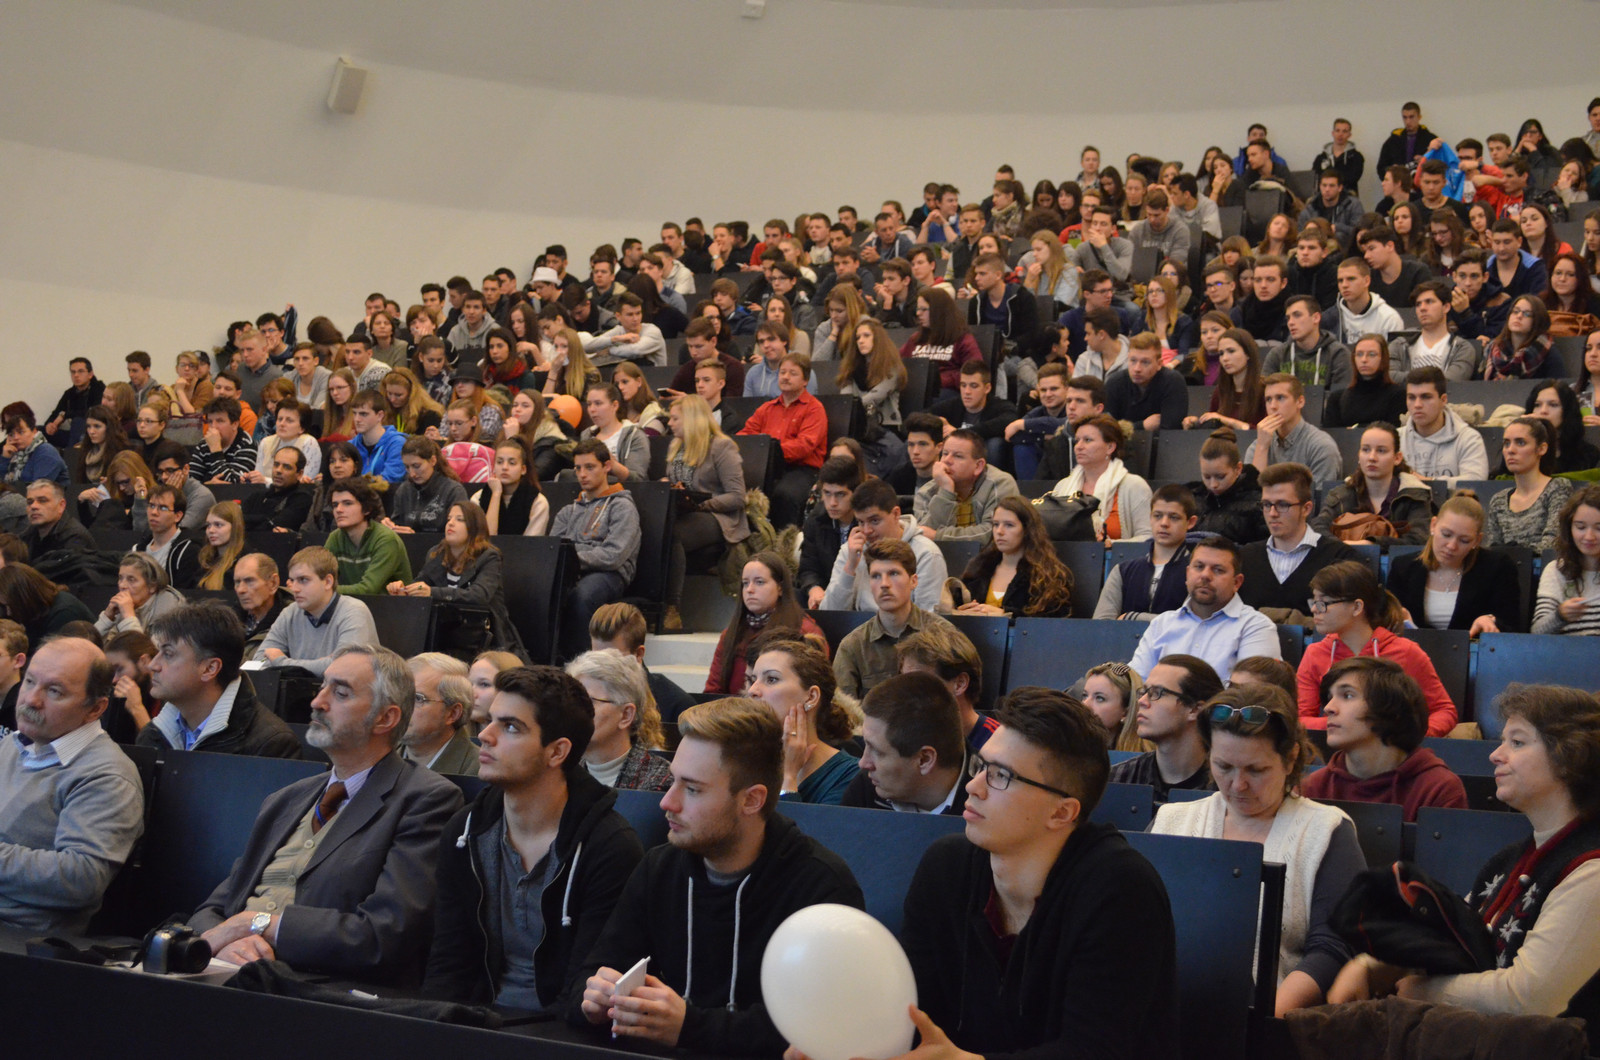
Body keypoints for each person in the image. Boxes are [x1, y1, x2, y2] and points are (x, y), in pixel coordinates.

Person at [571, 697, 864, 1054]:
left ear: (752, 800)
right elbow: (588, 978)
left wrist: (689, 1027)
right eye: (673, 781)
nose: (667, 802)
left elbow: (819, 1028)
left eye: (692, 789)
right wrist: (595, 999)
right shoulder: (659, 869)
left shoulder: (821, 886)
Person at [901, 685, 1181, 1055]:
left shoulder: (1122, 890)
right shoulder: (945, 868)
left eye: (1000, 776)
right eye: (980, 766)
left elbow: (1093, 1050)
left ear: (1061, 812)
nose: (973, 786)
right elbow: (913, 1012)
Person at [1330, 686, 1600, 1043]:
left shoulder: (1592, 871)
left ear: (1571, 756)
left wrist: (1418, 990)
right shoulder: (1511, 858)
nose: (1496, 755)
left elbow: (1526, 999)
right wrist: (1372, 966)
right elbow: (1455, 939)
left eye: (1517, 742)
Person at [189, 644, 463, 982]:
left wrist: (258, 924)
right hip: (230, 973)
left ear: (385, 718)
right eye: (322, 687)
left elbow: (384, 934)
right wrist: (225, 944)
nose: (317, 702)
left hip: (317, 989)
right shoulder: (286, 799)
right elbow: (212, 909)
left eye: (341, 693)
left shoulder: (425, 800)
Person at [424, 663, 644, 1011]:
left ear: (557, 752)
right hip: (472, 1021)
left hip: (555, 1030)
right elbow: (448, 964)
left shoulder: (609, 847)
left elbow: (586, 988)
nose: (485, 735)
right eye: (490, 720)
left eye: (510, 726)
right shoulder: (465, 831)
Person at [1153, 684, 1361, 1015]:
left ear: (1290, 758)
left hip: (1273, 1015)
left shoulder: (1326, 829)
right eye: (1223, 766)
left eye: (1256, 770)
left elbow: (1331, 946)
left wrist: (1263, 1021)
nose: (1238, 785)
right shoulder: (1171, 820)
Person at [0, 636, 144, 933]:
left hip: (19, 937)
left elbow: (81, 879)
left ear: (95, 709)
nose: (31, 699)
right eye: (29, 682)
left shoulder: (106, 775)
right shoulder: (13, 745)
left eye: (54, 691)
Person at [1296, 560, 1458, 736]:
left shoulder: (1406, 651)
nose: (1314, 609)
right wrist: (1350, 724)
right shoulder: (1316, 653)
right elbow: (1300, 719)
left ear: (1357, 607)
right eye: (1314, 601)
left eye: (1323, 603)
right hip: (1336, 747)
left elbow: (1444, 711)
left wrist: (1410, 737)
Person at [1302, 656, 1466, 821]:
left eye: (1348, 695)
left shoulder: (1438, 789)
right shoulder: (1312, 787)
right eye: (1330, 697)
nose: (1328, 708)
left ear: (1390, 708)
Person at [133, 601, 299, 757]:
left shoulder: (270, 744)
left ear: (210, 669)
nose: (153, 665)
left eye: (168, 654)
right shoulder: (154, 734)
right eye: (158, 652)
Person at [1130, 535, 1281, 682]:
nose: (1205, 575)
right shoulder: (1161, 624)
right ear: (1187, 574)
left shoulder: (1255, 627)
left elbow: (1253, 693)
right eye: (1199, 567)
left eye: (1218, 570)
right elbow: (1135, 684)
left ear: (1237, 582)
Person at [389, 501, 525, 655]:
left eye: (460, 519)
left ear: (474, 527)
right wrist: (403, 590)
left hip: (482, 637)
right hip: (443, 633)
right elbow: (421, 584)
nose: (451, 523)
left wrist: (432, 592)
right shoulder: (436, 553)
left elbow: (479, 596)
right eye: (449, 519)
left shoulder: (489, 557)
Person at [833, 538, 959, 698]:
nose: (884, 584)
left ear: (913, 581)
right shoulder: (853, 646)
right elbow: (842, 709)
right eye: (876, 576)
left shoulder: (944, 635)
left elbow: (960, 698)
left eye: (893, 573)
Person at [550, 440, 641, 660]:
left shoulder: (622, 506)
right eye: (578, 468)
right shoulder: (568, 511)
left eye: (589, 467)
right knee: (542, 592)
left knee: (581, 596)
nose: (582, 474)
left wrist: (573, 557)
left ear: (606, 466)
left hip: (610, 574)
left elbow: (613, 555)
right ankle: (551, 658)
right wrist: (571, 558)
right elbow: (553, 550)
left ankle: (583, 662)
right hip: (572, 571)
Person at [745, 633, 860, 804]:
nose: (752, 690)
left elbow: (795, 823)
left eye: (771, 679)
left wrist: (788, 778)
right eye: (752, 680)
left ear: (811, 697)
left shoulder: (850, 776)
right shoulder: (742, 761)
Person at [1237, 462, 1359, 622]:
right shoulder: (1245, 557)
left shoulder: (1340, 557)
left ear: (1306, 508)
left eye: (1283, 505)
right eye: (1266, 505)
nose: (1272, 513)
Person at [1387, 494, 1524, 635]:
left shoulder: (1497, 567)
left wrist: (1491, 621)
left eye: (1464, 540)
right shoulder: (1403, 567)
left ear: (1477, 540)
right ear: (1433, 525)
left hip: (1474, 648)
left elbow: (1511, 627)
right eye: (1446, 534)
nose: (1452, 546)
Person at [840, 670, 968, 813]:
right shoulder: (866, 788)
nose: (863, 763)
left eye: (877, 751)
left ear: (924, 760)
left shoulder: (985, 801)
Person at [706, 553, 825, 695]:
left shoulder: (804, 632)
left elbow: (812, 692)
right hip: (735, 708)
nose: (749, 589)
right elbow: (712, 692)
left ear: (780, 588)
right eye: (745, 583)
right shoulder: (730, 634)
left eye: (759, 582)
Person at [819, 479, 947, 612]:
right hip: (860, 625)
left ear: (896, 514)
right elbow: (829, 613)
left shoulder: (926, 554)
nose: (867, 530)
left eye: (874, 521)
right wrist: (850, 568)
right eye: (861, 522)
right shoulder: (851, 552)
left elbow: (930, 617)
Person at [736, 353, 827, 529]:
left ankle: (784, 542)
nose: (785, 377)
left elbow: (804, 445)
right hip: (768, 466)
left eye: (793, 373)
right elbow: (746, 434)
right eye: (782, 372)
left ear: (805, 380)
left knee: (784, 494)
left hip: (803, 469)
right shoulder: (766, 408)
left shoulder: (814, 409)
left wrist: (770, 451)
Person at [258, 547, 380, 676]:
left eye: (303, 580)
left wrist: (281, 662)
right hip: (301, 688)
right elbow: (259, 661)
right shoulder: (289, 613)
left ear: (328, 582)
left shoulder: (354, 611)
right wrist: (323, 664)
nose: (294, 588)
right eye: (292, 580)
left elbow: (345, 668)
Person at [565, 649, 672, 792]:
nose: (572, 710)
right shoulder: (560, 772)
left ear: (626, 715)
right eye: (571, 700)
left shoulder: (659, 783)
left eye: (587, 701)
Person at [1312, 423, 1431, 547]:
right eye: (1366, 449)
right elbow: (1318, 529)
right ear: (1359, 455)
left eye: (1381, 450)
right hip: (1344, 558)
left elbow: (1419, 540)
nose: (1372, 457)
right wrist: (1345, 548)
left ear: (1397, 458)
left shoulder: (1414, 496)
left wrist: (1371, 544)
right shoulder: (1341, 495)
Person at [956, 495, 1073, 617]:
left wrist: (1007, 614)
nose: (999, 531)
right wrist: (962, 612)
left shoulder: (1047, 575)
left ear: (1027, 530)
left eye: (1009, 525)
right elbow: (956, 609)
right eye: (996, 524)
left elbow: (1053, 620)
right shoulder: (978, 569)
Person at [1097, 485, 1202, 621]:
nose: (1164, 523)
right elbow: (1101, 624)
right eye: (1157, 516)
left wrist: (1132, 617)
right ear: (1150, 518)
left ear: (1190, 522)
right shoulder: (1123, 571)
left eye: (1174, 517)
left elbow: (1191, 623)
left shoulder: (1198, 573)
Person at [1048, 414, 1153, 543]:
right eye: (1077, 440)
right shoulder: (1062, 486)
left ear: (1110, 447)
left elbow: (1148, 536)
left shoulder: (1134, 485)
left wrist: (1109, 545)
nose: (1078, 446)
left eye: (1087, 440)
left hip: (1116, 556)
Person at [588, 603, 694, 726]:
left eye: (613, 660)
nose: (603, 669)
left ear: (638, 654)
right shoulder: (581, 696)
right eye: (597, 659)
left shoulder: (677, 706)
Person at [912, 428, 1021, 544]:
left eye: (958, 456)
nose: (947, 461)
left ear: (978, 466)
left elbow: (993, 534)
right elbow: (923, 537)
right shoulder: (926, 492)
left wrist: (939, 536)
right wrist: (945, 492)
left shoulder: (1000, 483)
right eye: (945, 454)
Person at [1486, 417, 1573, 551]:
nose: (1510, 450)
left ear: (1541, 449)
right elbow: (1493, 551)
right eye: (1506, 443)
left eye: (1520, 443)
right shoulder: (1498, 500)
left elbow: (1552, 544)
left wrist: (1515, 555)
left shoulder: (1558, 488)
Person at [1246, 374, 1344, 484]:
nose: (1273, 406)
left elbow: (1320, 493)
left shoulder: (1321, 446)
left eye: (1280, 398)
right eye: (1268, 399)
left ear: (1300, 402)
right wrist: (1262, 448)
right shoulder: (1258, 445)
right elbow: (1252, 493)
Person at [324, 477, 413, 595]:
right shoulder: (335, 538)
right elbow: (320, 577)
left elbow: (368, 589)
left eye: (347, 503)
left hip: (387, 605)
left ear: (366, 509)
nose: (338, 510)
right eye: (335, 505)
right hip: (352, 604)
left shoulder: (386, 539)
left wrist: (321, 591)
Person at [1399, 367, 1490, 479]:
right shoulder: (1395, 439)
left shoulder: (1468, 438)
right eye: (1411, 398)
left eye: (1426, 397)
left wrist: (1427, 482)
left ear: (1443, 400)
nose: (1417, 405)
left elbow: (1475, 481)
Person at [1533, 484, 1600, 636]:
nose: (1589, 536)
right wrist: (1560, 615)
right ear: (1569, 528)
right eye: (1580, 527)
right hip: (1567, 650)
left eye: (1599, 528)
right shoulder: (1556, 570)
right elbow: (1537, 632)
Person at [397, 653, 479, 775]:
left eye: (417, 698)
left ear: (453, 713)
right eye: (398, 694)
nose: (400, 706)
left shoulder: (480, 771)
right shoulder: (378, 757)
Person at [899, 287, 985, 398]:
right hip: (917, 389)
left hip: (946, 391)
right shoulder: (916, 339)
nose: (918, 313)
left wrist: (943, 380)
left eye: (924, 309)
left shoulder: (961, 338)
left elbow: (975, 370)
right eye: (918, 309)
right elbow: (898, 364)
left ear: (938, 311)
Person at [1189, 430, 1269, 544]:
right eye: (1207, 477)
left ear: (1238, 469)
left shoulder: (1258, 504)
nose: (1213, 484)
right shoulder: (1192, 499)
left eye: (1220, 477)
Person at [384, 437, 467, 534]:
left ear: (433, 461)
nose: (412, 474)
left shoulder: (453, 491)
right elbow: (397, 525)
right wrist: (391, 528)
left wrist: (415, 537)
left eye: (416, 466)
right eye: (407, 467)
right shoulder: (404, 490)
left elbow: (459, 533)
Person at [1105, 333, 1187, 430]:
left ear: (1159, 364)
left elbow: (1172, 429)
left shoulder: (1173, 382)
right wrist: (1142, 426)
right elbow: (1106, 429)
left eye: (1145, 362)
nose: (1137, 368)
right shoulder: (1115, 382)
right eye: (1133, 360)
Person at [0, 564, 94, 648]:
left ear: (24, 599)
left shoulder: (64, 613)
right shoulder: (37, 608)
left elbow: (51, 656)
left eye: (9, 606)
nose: (8, 612)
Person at [471, 437, 550, 537]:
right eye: (499, 462)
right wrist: (496, 494)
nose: (504, 467)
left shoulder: (538, 503)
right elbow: (485, 540)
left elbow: (530, 544)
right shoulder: (477, 498)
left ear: (523, 469)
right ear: (493, 467)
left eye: (512, 463)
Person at [1323, 334, 1405, 430]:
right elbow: (1332, 435)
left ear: (1383, 358)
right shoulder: (1337, 399)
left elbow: (1394, 432)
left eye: (1372, 354)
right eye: (1359, 354)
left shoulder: (1397, 395)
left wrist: (1356, 429)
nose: (1364, 360)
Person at [94, 552, 183, 637]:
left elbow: (141, 647)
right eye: (120, 578)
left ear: (152, 586)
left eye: (131, 579)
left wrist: (128, 616)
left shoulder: (170, 609)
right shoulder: (124, 605)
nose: (122, 585)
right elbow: (90, 644)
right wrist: (107, 618)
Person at [21, 480, 95, 562]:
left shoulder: (76, 537)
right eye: (30, 502)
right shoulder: (28, 534)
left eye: (42, 500)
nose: (33, 506)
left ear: (61, 505)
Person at [1484, 295, 1557, 380]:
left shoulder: (1547, 352)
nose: (1519, 316)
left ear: (1537, 321)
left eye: (1527, 314)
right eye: (1515, 311)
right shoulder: (1493, 348)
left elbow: (1558, 385)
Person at [241, 447, 312, 533]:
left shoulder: (302, 499)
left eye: (287, 467)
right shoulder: (256, 497)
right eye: (276, 464)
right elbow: (237, 522)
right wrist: (264, 519)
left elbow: (273, 528)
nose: (278, 470)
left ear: (299, 474)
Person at [2, 404, 70, 489]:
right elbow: (2, 487)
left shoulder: (46, 452)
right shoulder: (15, 454)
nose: (15, 437)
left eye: (21, 432)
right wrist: (5, 459)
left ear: (34, 431)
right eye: (11, 434)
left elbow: (38, 490)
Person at [195, 499, 246, 591]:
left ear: (234, 527)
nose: (211, 530)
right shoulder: (205, 557)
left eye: (218, 525)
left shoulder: (244, 562)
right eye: (208, 525)